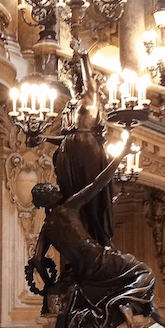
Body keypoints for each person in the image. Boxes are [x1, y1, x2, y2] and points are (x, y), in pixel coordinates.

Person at [30, 140, 165, 328]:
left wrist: (48, 285)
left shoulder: (47, 227)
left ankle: (135, 305)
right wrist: (122, 153)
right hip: (99, 259)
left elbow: (37, 260)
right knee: (143, 271)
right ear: (48, 198)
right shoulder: (69, 207)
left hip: (83, 271)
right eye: (51, 190)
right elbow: (99, 182)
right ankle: (124, 303)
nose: (57, 190)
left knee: (132, 273)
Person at [37, 46, 115, 247]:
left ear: (79, 80)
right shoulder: (69, 108)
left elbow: (91, 83)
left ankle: (103, 244)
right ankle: (82, 246)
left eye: (72, 79)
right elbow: (66, 137)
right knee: (74, 201)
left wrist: (84, 58)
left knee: (92, 198)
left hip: (87, 153)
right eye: (67, 80)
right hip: (68, 154)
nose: (69, 83)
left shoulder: (90, 99)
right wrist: (43, 138)